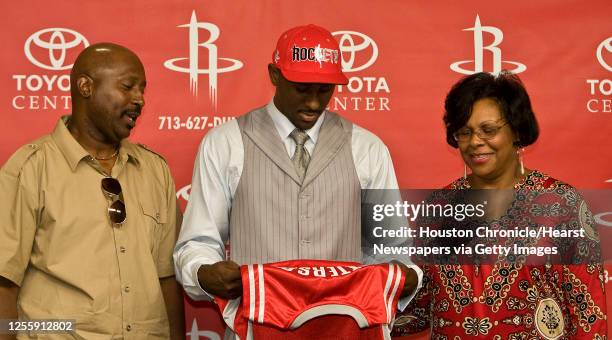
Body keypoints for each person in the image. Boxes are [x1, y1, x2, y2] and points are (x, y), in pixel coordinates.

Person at [173, 24, 421, 335]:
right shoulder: (225, 143)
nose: (315, 103)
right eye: (302, 88)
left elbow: (392, 247)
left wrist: (404, 274)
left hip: (344, 331)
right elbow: (198, 243)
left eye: (324, 90)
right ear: (274, 75)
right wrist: (203, 273)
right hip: (254, 330)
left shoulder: (368, 148)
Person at [393, 71, 607, 338]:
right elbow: (421, 306)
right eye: (464, 132)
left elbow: (589, 313)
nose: (475, 142)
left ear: (516, 129)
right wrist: (356, 302)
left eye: (489, 130)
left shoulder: (563, 202)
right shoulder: (439, 206)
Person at [0, 43, 184, 339]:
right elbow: (4, 284)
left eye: (143, 89)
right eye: (128, 87)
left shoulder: (155, 170)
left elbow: (167, 278)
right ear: (85, 86)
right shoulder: (31, 167)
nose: (139, 99)